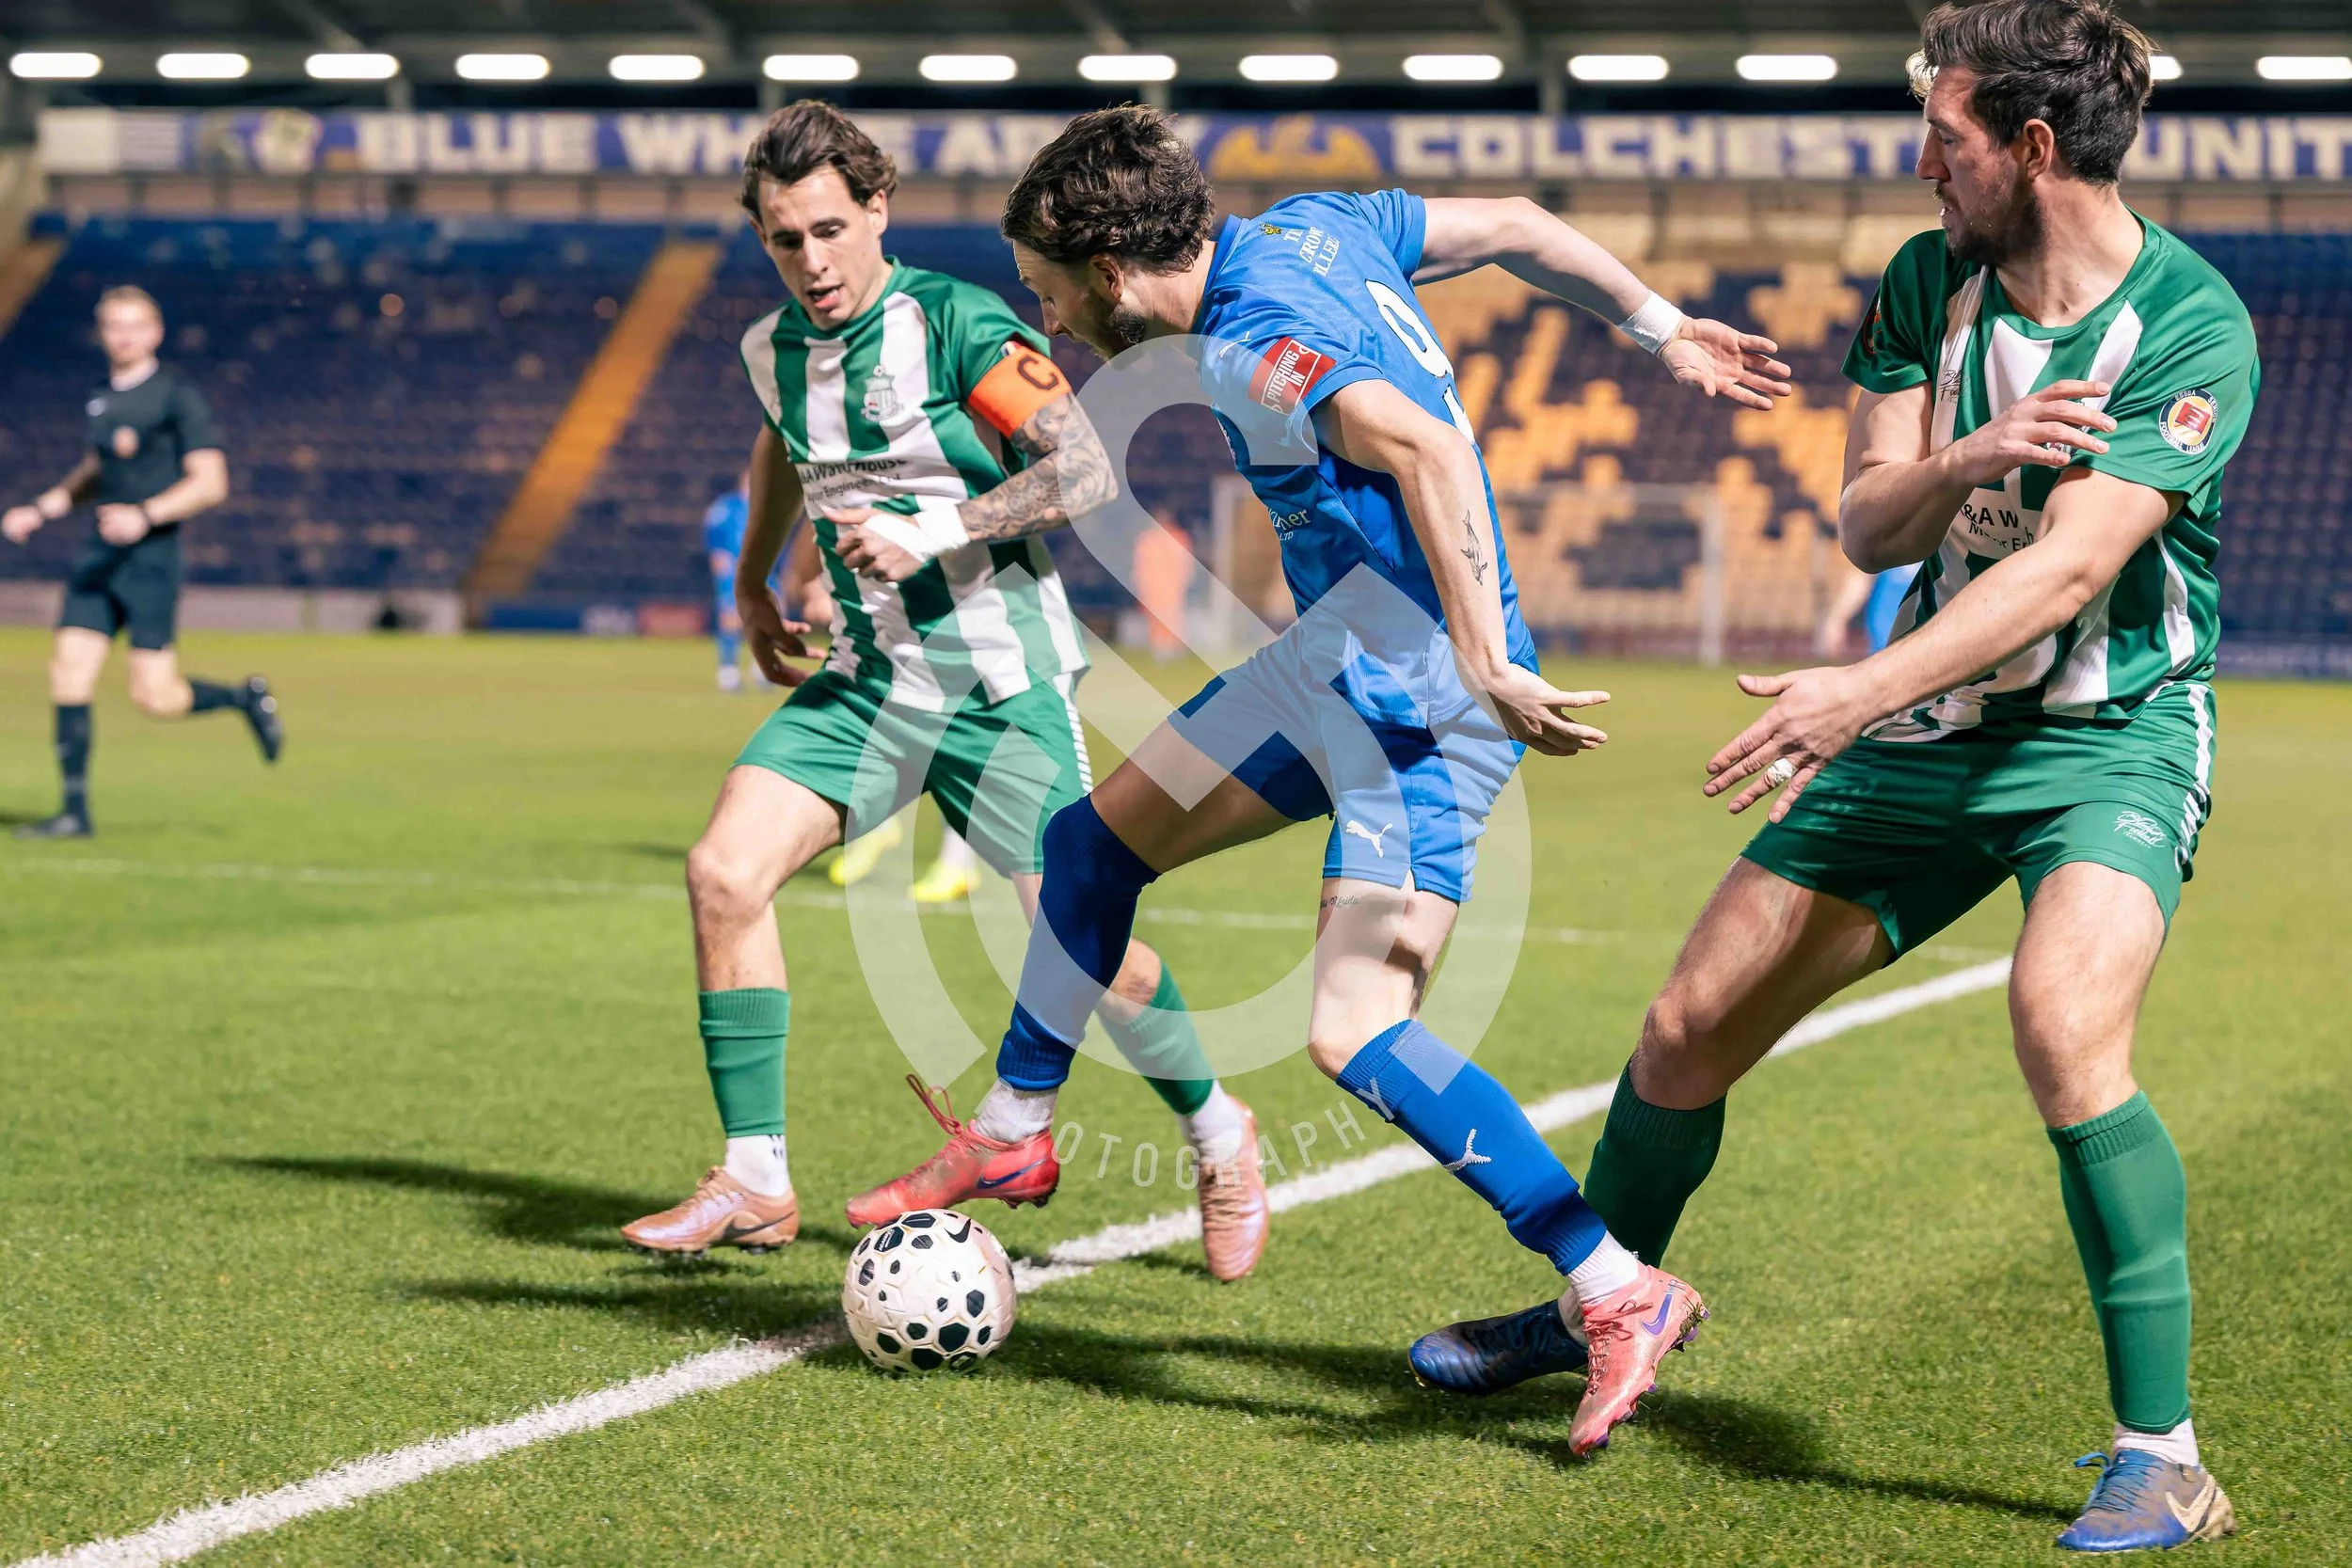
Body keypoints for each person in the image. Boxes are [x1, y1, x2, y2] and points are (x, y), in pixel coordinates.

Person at [1420, 2, 2248, 1546]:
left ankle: (2165, 1449)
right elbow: (1873, 526)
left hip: (2109, 735)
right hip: (1931, 734)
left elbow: (2069, 576)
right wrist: (1961, 456)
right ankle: (1602, 1307)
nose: (1920, 159)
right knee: (1679, 1034)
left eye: (1945, 136)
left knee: (2065, 1025)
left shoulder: (2193, 327)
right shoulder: (1928, 280)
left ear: (2035, 148)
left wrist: (1852, 690)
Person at [848, 105, 1792, 1457]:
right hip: (1335, 661)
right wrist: (1656, 325)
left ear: (1111, 269)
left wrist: (1484, 659)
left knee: (1353, 1029)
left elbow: (1419, 445)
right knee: (1090, 846)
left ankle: (1616, 1290)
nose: (1049, 326)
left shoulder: (1251, 335)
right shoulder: (1321, 223)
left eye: (1049, 296)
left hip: (1418, 698)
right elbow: (1520, 226)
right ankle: (1014, 1127)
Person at [622, 101, 1271, 1284]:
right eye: (783, 241)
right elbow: (780, 445)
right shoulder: (768, 349)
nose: (811, 262)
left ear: (877, 210)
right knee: (723, 872)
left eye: (829, 229)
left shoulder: (959, 321)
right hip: (868, 683)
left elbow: (1079, 469)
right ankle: (756, 1175)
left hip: (997, 685)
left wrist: (940, 530)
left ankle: (1221, 1134)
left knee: (1080, 942)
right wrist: (759, 582)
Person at [3, 285, 281, 839]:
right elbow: (97, 470)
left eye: (135, 326)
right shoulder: (101, 395)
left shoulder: (177, 397)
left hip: (151, 559)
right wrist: (44, 506)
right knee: (68, 670)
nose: (124, 336)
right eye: (113, 326)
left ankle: (240, 697)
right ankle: (74, 813)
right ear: (102, 333)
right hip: (98, 556)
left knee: (155, 696)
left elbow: (212, 483)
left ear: (156, 333)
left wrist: (146, 514)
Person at [704, 470, 754, 692]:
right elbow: (712, 530)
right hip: (734, 571)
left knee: (765, 620)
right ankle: (728, 670)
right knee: (731, 619)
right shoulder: (727, 506)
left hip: (764, 572)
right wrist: (717, 554)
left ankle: (762, 669)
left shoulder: (769, 507)